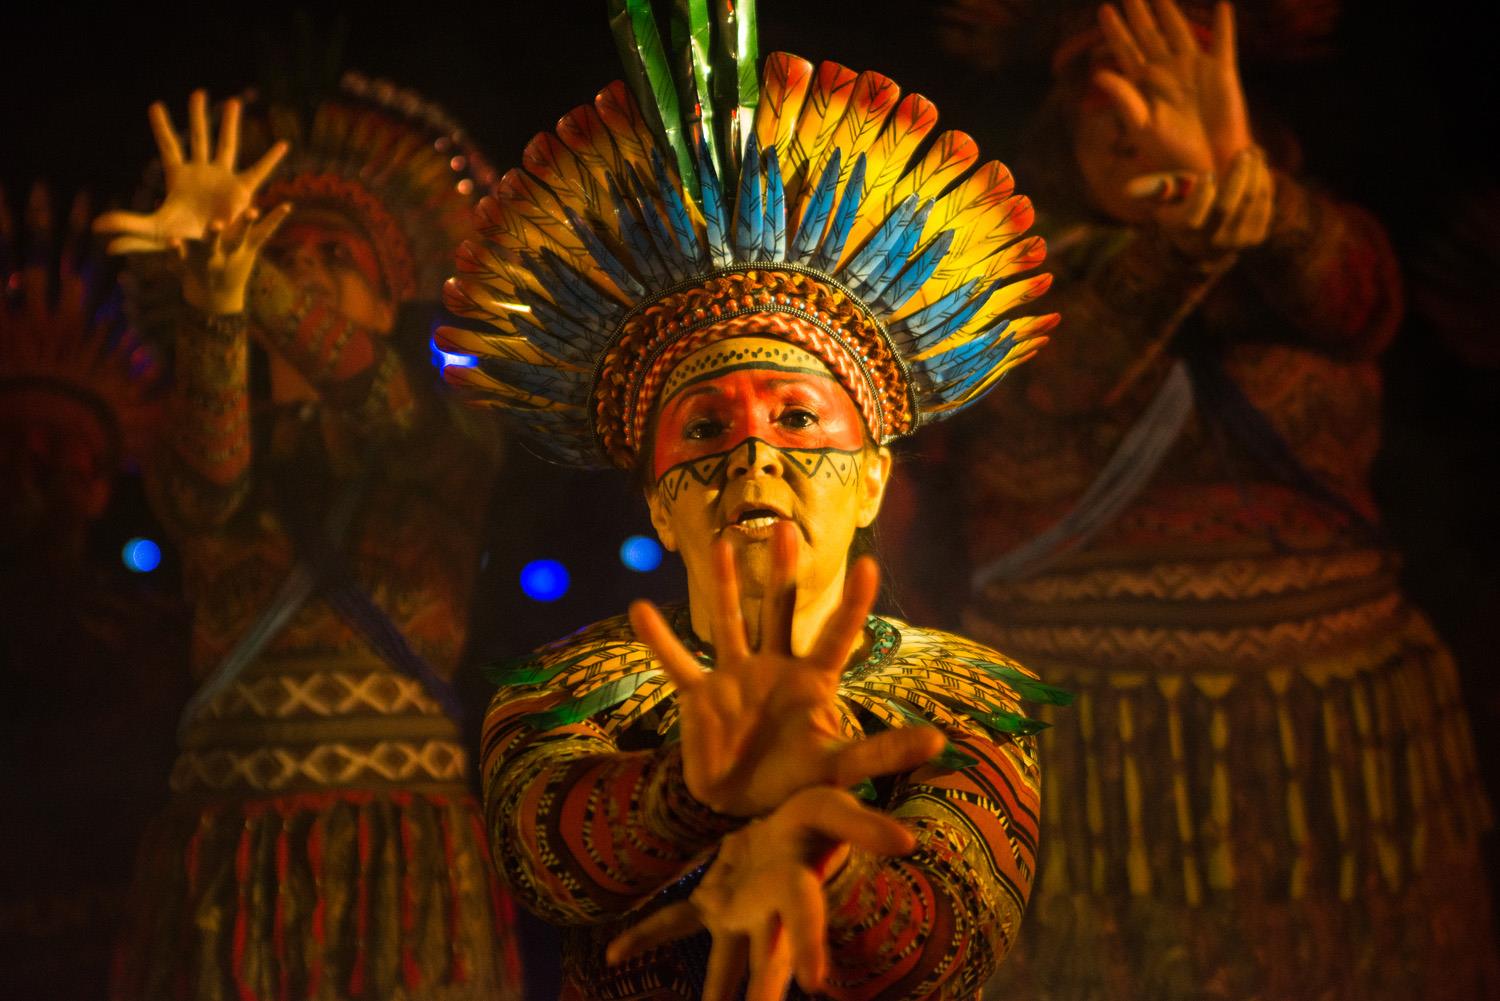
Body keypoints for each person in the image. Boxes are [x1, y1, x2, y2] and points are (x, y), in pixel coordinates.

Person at [440, 4, 1068, 998]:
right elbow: (542, 853)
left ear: (873, 478)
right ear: (658, 506)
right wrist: (692, 790)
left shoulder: (969, 701)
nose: (754, 456)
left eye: (798, 417)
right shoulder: (561, 693)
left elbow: (952, 936)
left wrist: (820, 860)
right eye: (704, 428)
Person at [906, 0, 1498, 997]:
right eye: (1103, 92)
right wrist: (1188, 231)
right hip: (1093, 748)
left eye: (1164, 84)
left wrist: (1243, 191)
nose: (1133, 116)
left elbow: (1363, 304)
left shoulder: (1306, 243)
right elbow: (1056, 379)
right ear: (1059, 121)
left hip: (1335, 747)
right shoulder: (997, 279)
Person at [95, 78, 523, 1000]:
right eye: (285, 254)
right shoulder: (203, 440)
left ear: (389, 301)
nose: (306, 271)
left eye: (337, 255)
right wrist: (218, 298)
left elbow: (388, 404)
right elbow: (208, 493)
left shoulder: (449, 437)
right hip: (231, 845)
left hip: (405, 843)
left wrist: (253, 267)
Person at [0, 182, 186, 1001]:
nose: (27, 480)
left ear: (100, 483)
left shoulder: (149, 635)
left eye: (55, 457)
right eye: (12, 453)